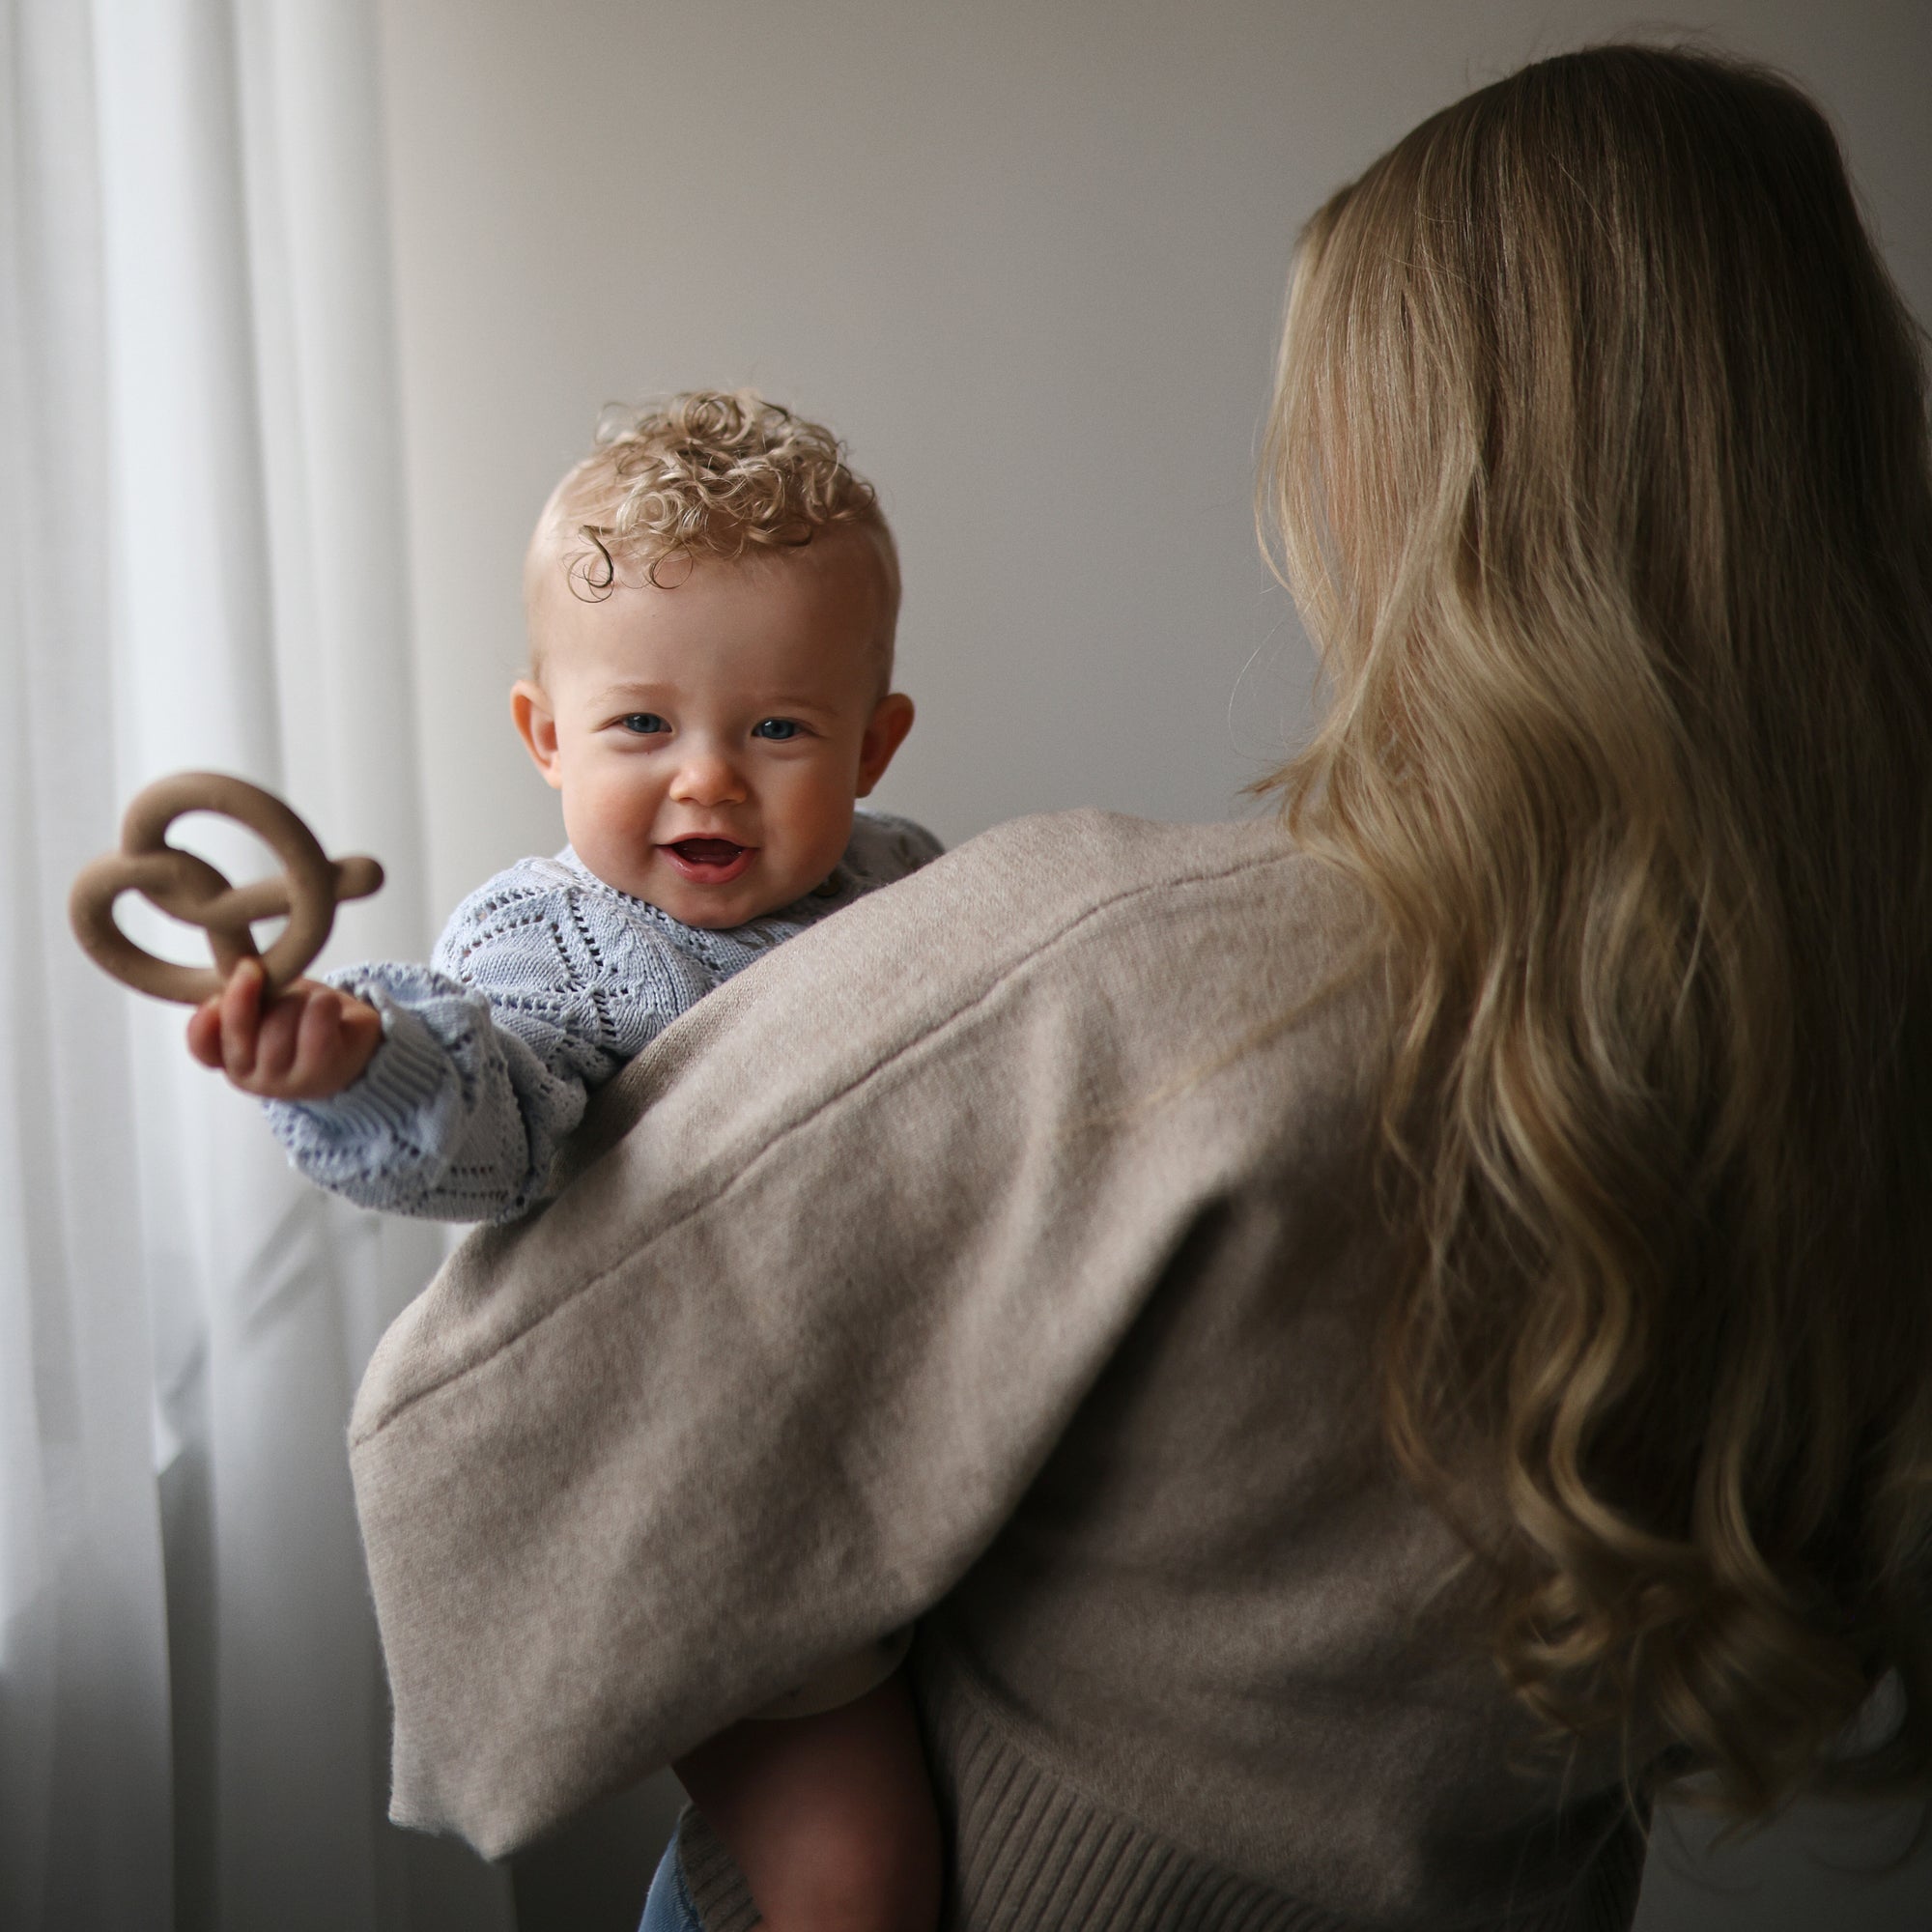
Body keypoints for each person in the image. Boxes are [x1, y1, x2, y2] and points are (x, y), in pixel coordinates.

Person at [344, 45, 1932, 1932]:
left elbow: (490, 1444)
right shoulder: (1854, 1008)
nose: (708, 779)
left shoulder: (1136, 977)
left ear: (1398, 471)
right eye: (642, 726)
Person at [186, 392, 945, 1932]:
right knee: (852, 1878)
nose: (709, 779)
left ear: (873, 743)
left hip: (921, 1428)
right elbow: (500, 1118)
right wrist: (364, 1064)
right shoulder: (551, 940)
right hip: (710, 1490)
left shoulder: (911, 886)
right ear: (547, 735)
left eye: (778, 729)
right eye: (643, 727)